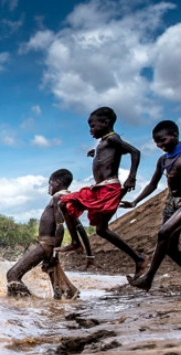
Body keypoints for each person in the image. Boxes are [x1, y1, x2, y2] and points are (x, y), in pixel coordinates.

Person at [57, 106, 148, 277]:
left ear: (106, 123)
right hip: (100, 188)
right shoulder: (105, 143)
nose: (91, 130)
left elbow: (135, 152)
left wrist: (132, 177)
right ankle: (138, 259)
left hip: (108, 188)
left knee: (66, 204)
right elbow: (114, 154)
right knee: (98, 228)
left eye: (93, 126)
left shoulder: (113, 138)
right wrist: (97, 152)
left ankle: (139, 258)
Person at [123, 120, 181, 290]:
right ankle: (147, 278)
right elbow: (152, 185)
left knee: (164, 232)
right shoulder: (163, 160)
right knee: (169, 247)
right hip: (172, 202)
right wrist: (135, 201)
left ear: (175, 135)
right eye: (156, 142)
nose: (159, 145)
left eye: (162, 140)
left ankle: (148, 279)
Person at [7, 169, 79, 299]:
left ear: (57, 183)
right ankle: (55, 307)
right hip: (47, 245)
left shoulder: (58, 197)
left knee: (12, 275)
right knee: (57, 287)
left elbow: (60, 226)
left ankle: (22, 305)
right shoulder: (65, 197)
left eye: (50, 183)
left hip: (47, 245)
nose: (48, 188)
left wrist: (54, 252)